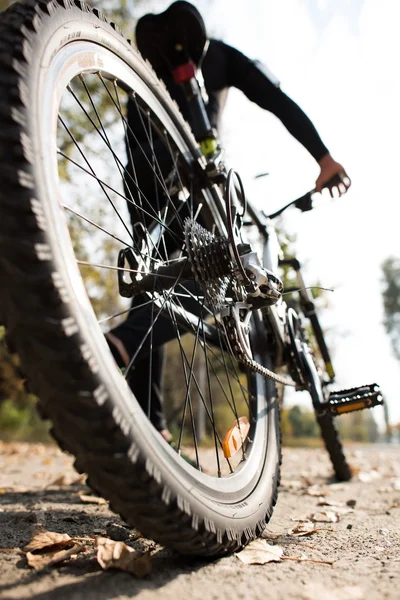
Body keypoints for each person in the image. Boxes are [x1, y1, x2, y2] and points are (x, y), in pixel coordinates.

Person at [106, 1, 351, 442]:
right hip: (192, 177)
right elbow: (275, 99)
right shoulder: (219, 55)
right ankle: (123, 345)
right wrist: (324, 157)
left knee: (149, 286)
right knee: (220, 273)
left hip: (142, 180)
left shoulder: (153, 68)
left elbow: (133, 143)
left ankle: (151, 428)